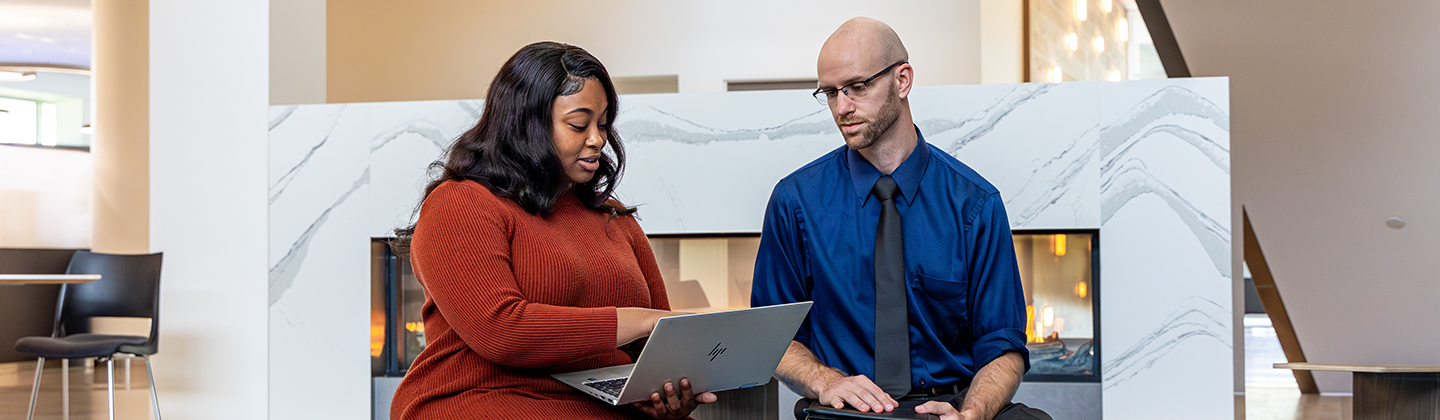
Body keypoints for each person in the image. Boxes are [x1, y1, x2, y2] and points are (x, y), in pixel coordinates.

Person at [389, 42, 716, 420]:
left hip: (602, 402)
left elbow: (656, 343)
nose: (597, 139)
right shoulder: (460, 203)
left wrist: (667, 394)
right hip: (484, 398)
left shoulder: (614, 218)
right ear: (526, 123)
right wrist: (640, 319)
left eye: (604, 123)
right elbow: (502, 331)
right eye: (579, 124)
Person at [750, 18, 1052, 420]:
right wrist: (827, 381)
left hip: (951, 404)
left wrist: (973, 412)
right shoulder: (796, 201)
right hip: (845, 410)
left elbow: (1003, 345)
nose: (842, 108)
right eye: (830, 93)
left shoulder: (974, 203)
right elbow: (771, 338)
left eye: (858, 86)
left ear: (903, 80)